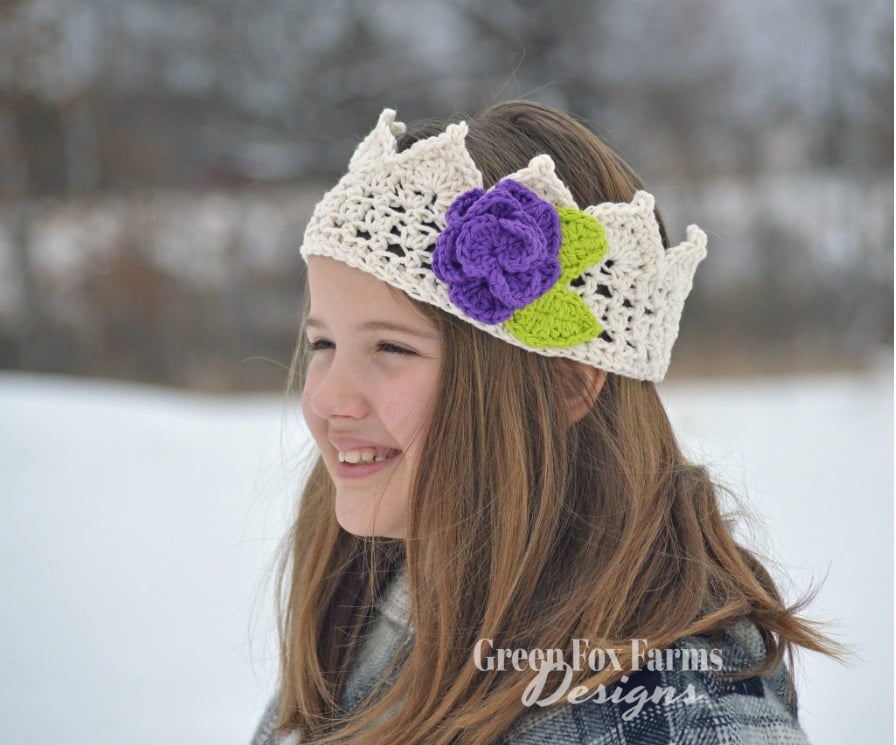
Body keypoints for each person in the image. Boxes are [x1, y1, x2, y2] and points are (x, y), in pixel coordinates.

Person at [250, 101, 840, 745]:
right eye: (322, 344)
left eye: (392, 348)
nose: (331, 400)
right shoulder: (380, 591)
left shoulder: (671, 714)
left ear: (565, 385)